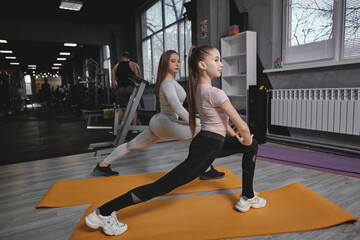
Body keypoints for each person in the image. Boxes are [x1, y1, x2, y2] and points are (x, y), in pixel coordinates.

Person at [85, 45, 266, 236]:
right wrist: (244, 138)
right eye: (216, 60)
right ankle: (103, 212)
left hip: (209, 142)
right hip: (207, 148)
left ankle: (247, 196)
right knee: (162, 186)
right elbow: (244, 126)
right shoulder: (216, 93)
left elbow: (221, 120)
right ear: (202, 65)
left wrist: (236, 138)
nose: (221, 64)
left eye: (220, 60)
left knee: (251, 146)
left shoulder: (200, 90)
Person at [93, 50, 224, 180]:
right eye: (173, 61)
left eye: (178, 61)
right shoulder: (167, 83)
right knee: (204, 129)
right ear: (165, 63)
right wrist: (196, 121)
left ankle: (102, 165)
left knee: (131, 145)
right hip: (165, 122)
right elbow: (178, 108)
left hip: (160, 122)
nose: (177, 64)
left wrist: (195, 118)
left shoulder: (170, 81)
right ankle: (205, 169)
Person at [112, 51, 141, 125]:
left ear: (122, 58)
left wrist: (116, 89)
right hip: (130, 89)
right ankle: (134, 128)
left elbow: (113, 81)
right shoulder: (133, 64)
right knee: (133, 108)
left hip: (120, 89)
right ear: (129, 58)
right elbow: (138, 78)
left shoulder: (116, 66)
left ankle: (118, 128)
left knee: (120, 108)